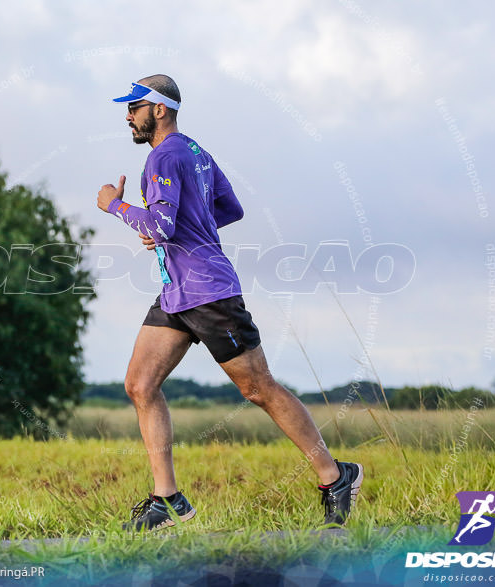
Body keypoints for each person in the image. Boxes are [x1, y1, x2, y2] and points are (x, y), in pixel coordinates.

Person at [95, 74, 363, 532]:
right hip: (177, 293)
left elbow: (159, 226)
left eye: (134, 106)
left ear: (159, 109)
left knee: (259, 389)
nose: (127, 115)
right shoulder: (196, 152)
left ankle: (335, 476)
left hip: (210, 293)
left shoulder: (163, 155)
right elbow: (230, 209)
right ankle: (168, 500)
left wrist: (115, 207)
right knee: (140, 384)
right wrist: (185, 226)